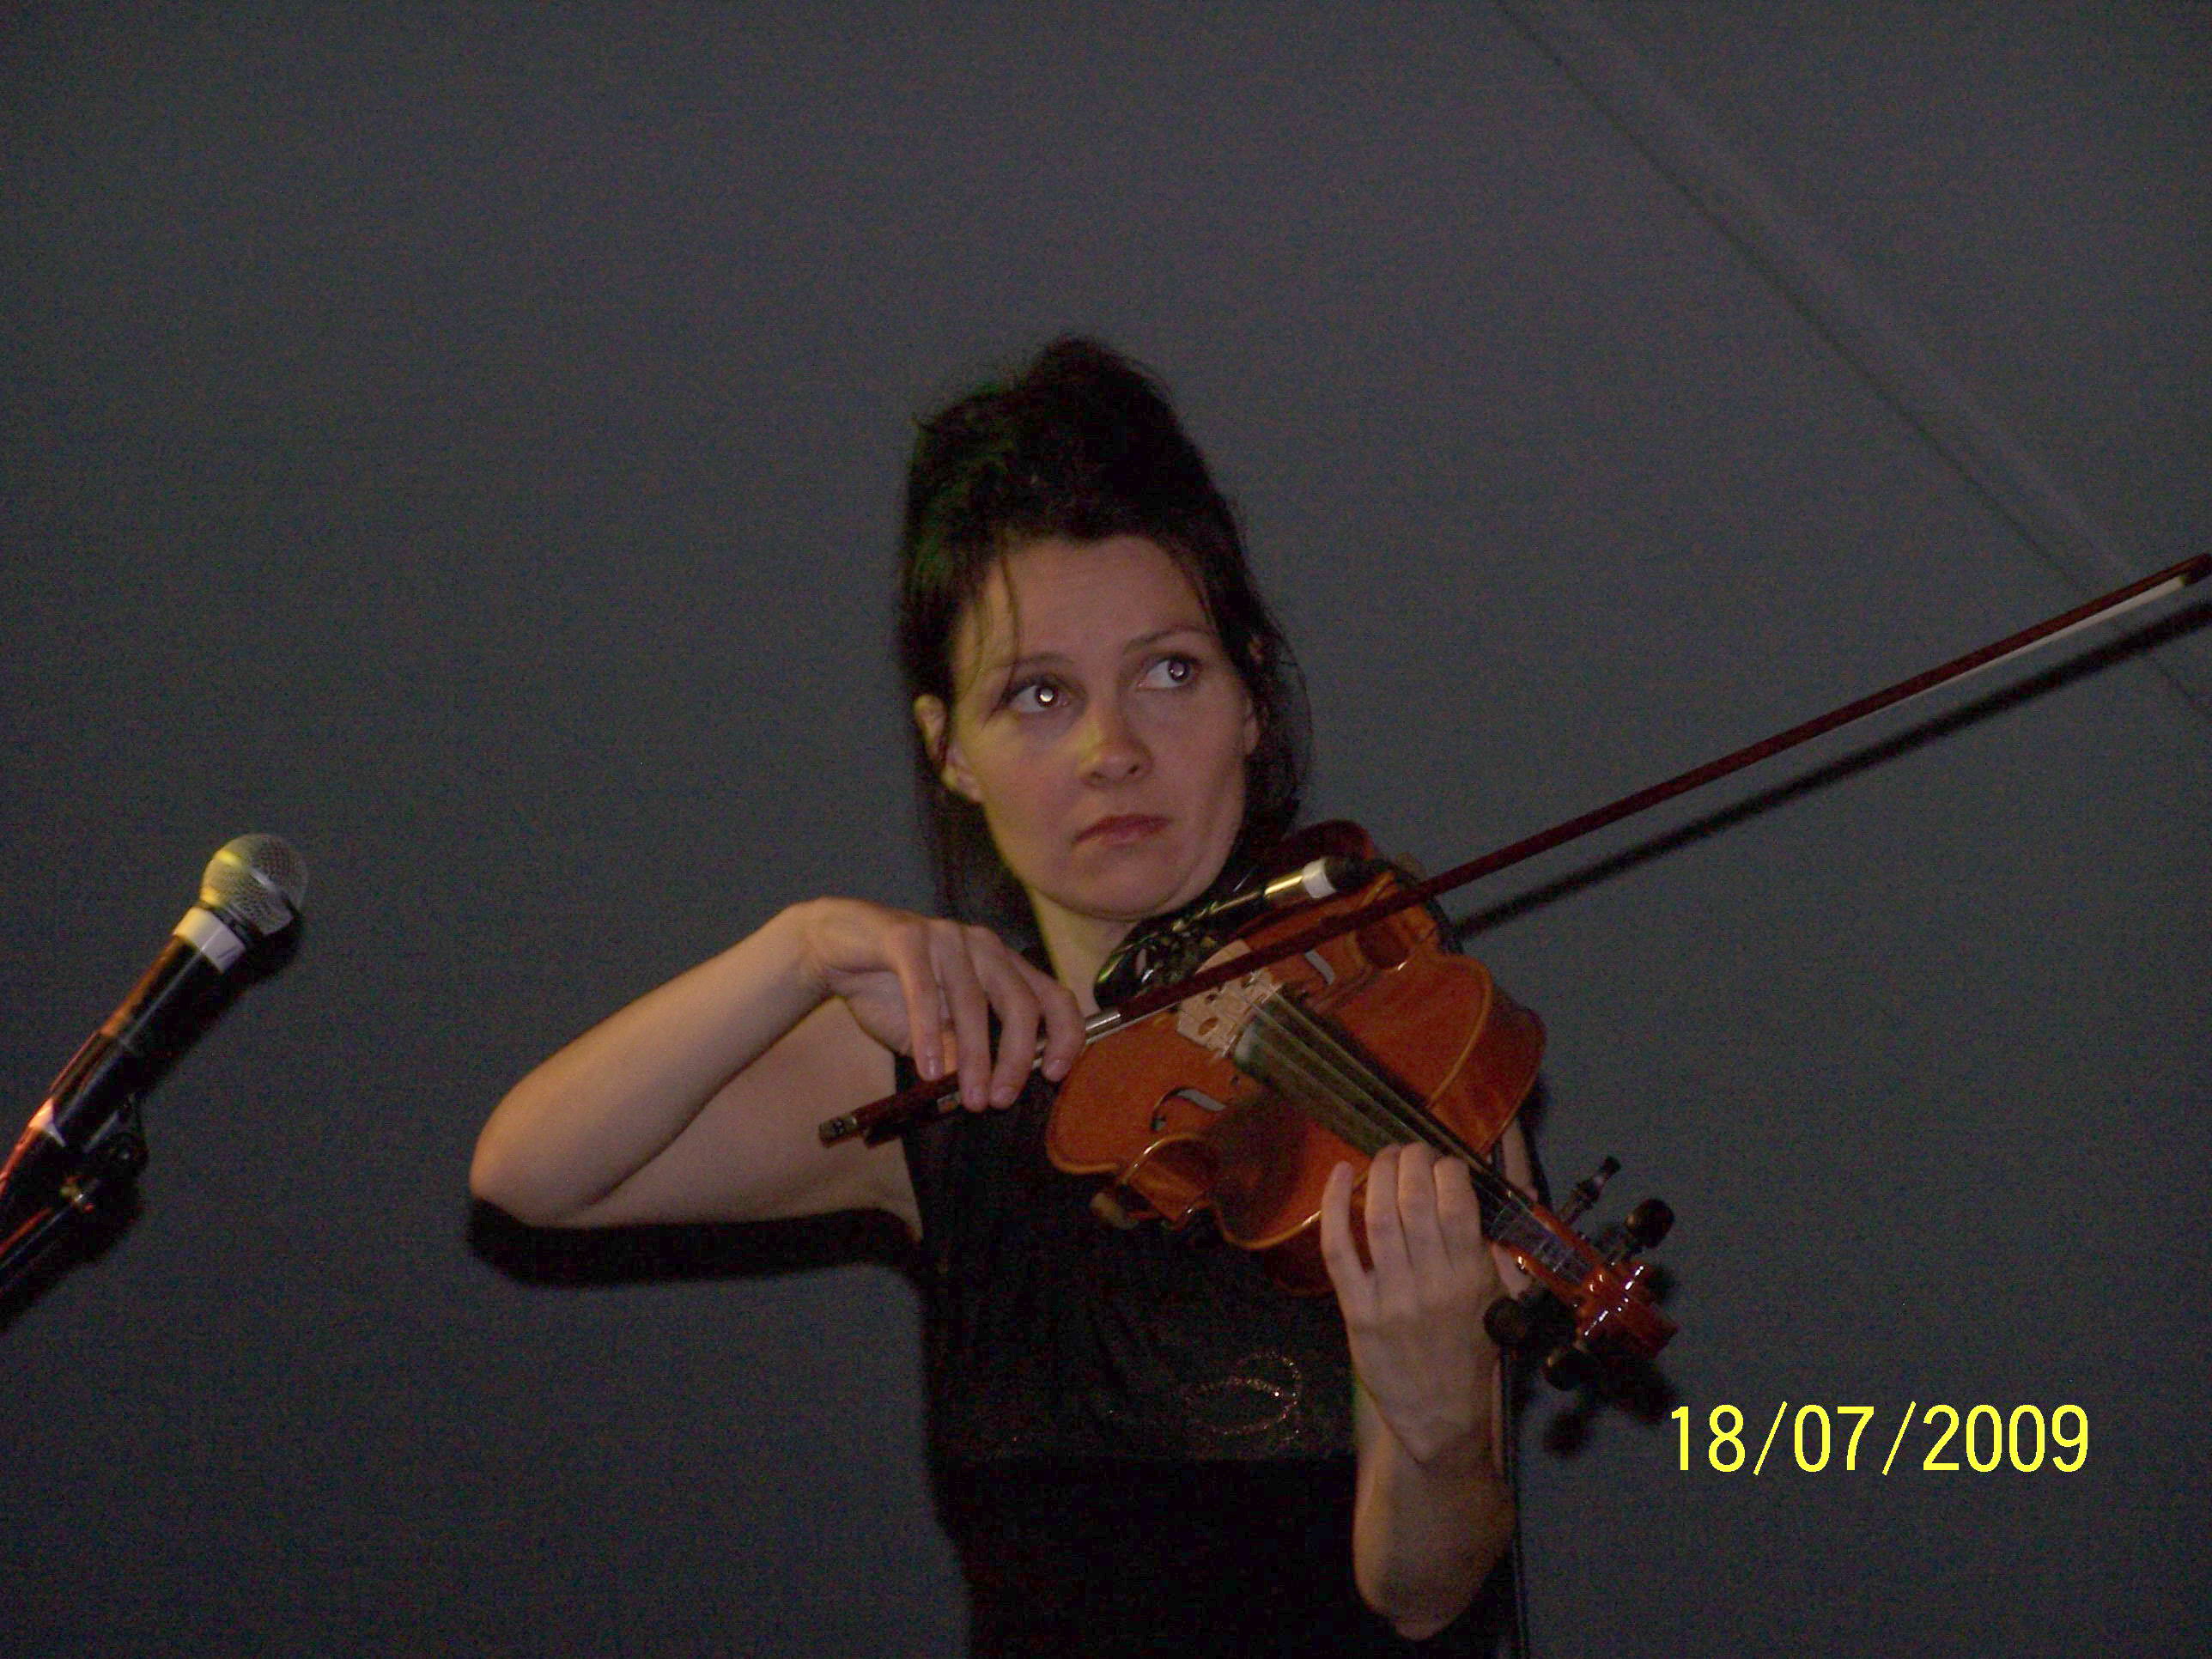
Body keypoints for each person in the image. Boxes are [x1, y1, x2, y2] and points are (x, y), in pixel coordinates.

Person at [471, 339, 1532, 1656]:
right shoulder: (951, 1065)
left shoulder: (1395, 1033)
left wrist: (1439, 1426)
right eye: (1038, 695)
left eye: (1170, 672)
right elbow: (531, 1174)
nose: (1111, 750)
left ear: (1253, 698)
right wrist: (798, 952)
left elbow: (1424, 1594)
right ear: (949, 750)